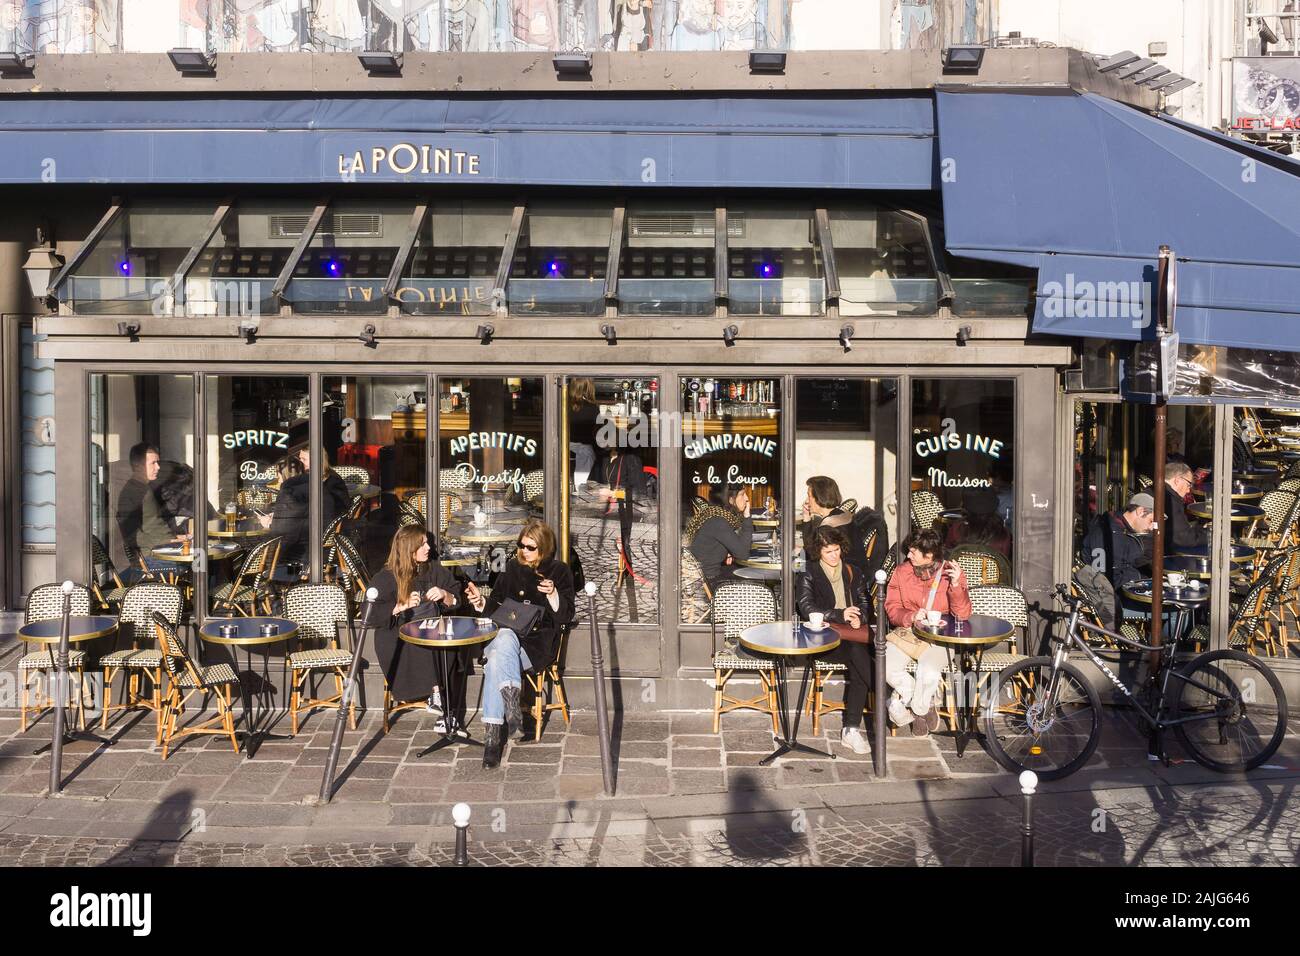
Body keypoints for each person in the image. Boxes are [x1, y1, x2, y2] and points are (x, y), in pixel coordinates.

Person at [465, 519, 575, 769]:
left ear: (544, 548)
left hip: (535, 645)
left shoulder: (559, 571)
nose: (523, 551)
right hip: (503, 638)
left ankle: (493, 739)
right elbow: (497, 607)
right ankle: (512, 708)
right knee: (504, 638)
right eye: (521, 545)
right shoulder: (511, 568)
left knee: (495, 661)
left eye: (530, 547)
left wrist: (553, 594)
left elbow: (565, 617)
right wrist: (480, 603)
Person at [371, 526, 463, 727]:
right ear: (408, 549)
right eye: (422, 544)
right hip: (398, 637)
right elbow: (370, 613)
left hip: (432, 629)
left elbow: (457, 597)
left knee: (448, 646)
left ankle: (442, 706)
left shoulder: (434, 570)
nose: (428, 547)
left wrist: (444, 595)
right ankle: (439, 698)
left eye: (427, 542)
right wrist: (399, 606)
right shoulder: (386, 577)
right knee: (426, 644)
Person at [883, 529, 971, 737]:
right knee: (884, 663)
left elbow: (963, 614)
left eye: (914, 552)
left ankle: (918, 712)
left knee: (929, 669)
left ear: (929, 555)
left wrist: (957, 585)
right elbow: (892, 607)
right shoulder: (902, 572)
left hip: (940, 637)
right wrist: (911, 616)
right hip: (909, 633)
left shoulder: (951, 573)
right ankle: (925, 703)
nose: (908, 555)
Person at [795, 526, 875, 755]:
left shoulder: (853, 571)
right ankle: (887, 698)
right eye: (828, 551)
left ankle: (850, 730)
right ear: (818, 551)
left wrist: (860, 616)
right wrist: (840, 614)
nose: (834, 555)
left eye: (837, 549)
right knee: (857, 654)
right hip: (823, 639)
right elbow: (806, 607)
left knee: (857, 656)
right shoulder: (809, 572)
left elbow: (865, 604)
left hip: (851, 635)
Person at [1080, 493, 1155, 622]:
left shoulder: (1116, 524)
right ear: (1140, 511)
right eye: (1151, 521)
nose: (1152, 527)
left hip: (1110, 597)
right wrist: (1142, 579)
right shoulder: (1110, 535)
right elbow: (1108, 580)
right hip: (1110, 605)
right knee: (1176, 614)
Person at [116, 442, 183, 573]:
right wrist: (169, 540)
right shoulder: (134, 493)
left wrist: (175, 538)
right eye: (153, 463)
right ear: (139, 466)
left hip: (161, 549)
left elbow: (151, 526)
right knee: (202, 562)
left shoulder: (144, 489)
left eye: (158, 462)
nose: (158, 467)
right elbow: (131, 535)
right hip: (150, 557)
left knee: (203, 555)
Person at [685, 484, 755, 589]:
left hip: (706, 575)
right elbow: (743, 554)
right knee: (753, 580)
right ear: (731, 500)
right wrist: (747, 517)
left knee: (744, 572)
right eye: (742, 494)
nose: (747, 498)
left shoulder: (716, 515)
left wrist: (728, 551)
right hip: (707, 581)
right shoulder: (719, 522)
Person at [945, 487, 1011, 560]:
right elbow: (1005, 563)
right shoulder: (1002, 534)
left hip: (959, 570)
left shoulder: (957, 529)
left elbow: (948, 556)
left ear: (966, 509)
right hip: (992, 571)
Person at [1163, 460, 1206, 550]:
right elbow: (1185, 539)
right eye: (1188, 484)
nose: (1188, 490)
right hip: (1166, 554)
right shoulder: (1170, 501)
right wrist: (1209, 534)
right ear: (1177, 481)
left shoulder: (1158, 490)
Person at [568, 377, 601, 490]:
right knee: (591, 451)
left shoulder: (564, 404)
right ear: (588, 389)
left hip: (565, 445)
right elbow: (595, 432)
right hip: (583, 446)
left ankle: (578, 484)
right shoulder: (592, 408)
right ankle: (580, 485)